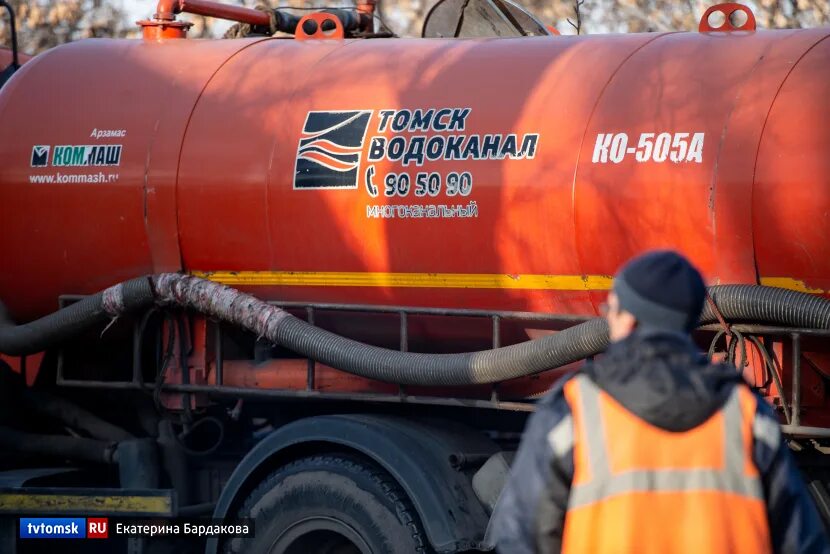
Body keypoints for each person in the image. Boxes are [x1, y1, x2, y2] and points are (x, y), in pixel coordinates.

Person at [490, 250, 829, 554]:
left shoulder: (574, 411)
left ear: (628, 318)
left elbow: (522, 537)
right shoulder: (745, 414)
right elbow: (801, 541)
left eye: (612, 308)